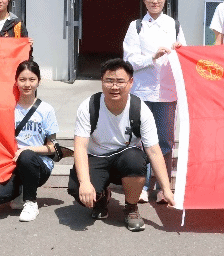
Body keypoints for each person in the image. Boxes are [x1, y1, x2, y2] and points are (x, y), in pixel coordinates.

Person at [68, 58, 175, 231]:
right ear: (101, 81)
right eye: (109, 81)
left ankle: (131, 208)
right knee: (77, 189)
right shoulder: (88, 106)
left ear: (131, 82)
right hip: (96, 157)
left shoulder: (140, 109)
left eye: (120, 81)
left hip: (126, 159)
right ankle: (101, 197)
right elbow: (80, 147)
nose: (114, 86)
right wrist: (85, 182)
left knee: (135, 159)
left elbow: (154, 151)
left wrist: (167, 189)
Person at [122, 0, 186, 204]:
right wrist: (152, 57)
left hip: (167, 93)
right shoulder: (136, 26)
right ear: (144, 0)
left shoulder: (174, 25)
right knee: (141, 140)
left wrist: (179, 51)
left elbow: (185, 56)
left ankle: (162, 187)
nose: (155, 1)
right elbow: (129, 60)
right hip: (142, 92)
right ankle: (142, 185)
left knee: (165, 141)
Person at [0, 61, 58, 222]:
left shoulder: (46, 110)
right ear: (16, 81)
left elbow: (52, 147)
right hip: (12, 165)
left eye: (32, 79)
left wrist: (27, 150)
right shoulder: (9, 108)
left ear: (39, 81)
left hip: (38, 165)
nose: (27, 84)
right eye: (22, 80)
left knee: (27, 156)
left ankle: (31, 202)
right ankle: (21, 191)